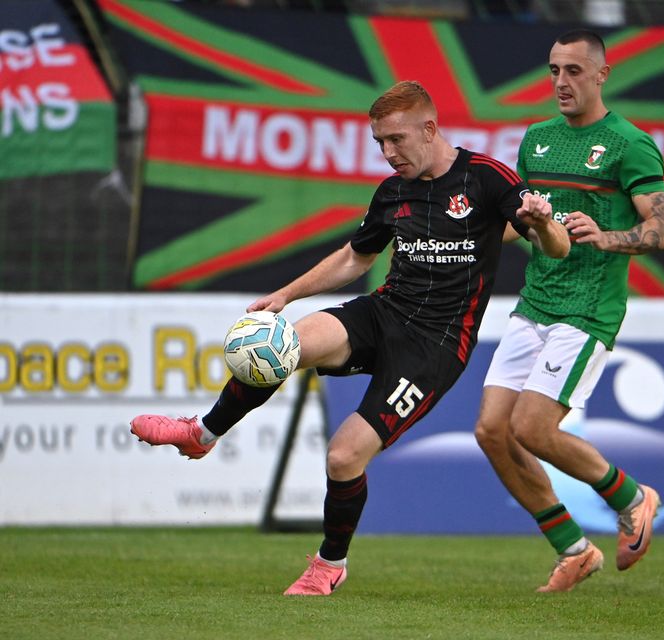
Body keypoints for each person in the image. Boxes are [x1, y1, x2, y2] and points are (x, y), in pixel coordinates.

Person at [130, 80, 570, 596]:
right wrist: (287, 294)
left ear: (429, 129)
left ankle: (329, 564)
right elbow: (355, 257)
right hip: (384, 311)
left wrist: (543, 223)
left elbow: (556, 248)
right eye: (379, 142)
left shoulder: (487, 179)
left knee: (343, 457)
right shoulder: (393, 191)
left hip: (436, 345)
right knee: (285, 343)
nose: (387, 153)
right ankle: (202, 434)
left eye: (396, 140)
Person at [474, 29, 664, 593]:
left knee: (532, 427)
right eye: (554, 71)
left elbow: (663, 231)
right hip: (535, 301)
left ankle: (633, 497)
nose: (561, 82)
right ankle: (574, 548)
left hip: (587, 309)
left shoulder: (628, 143)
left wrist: (605, 236)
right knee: (492, 430)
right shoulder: (536, 140)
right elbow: (524, 227)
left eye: (574, 71)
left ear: (602, 74)